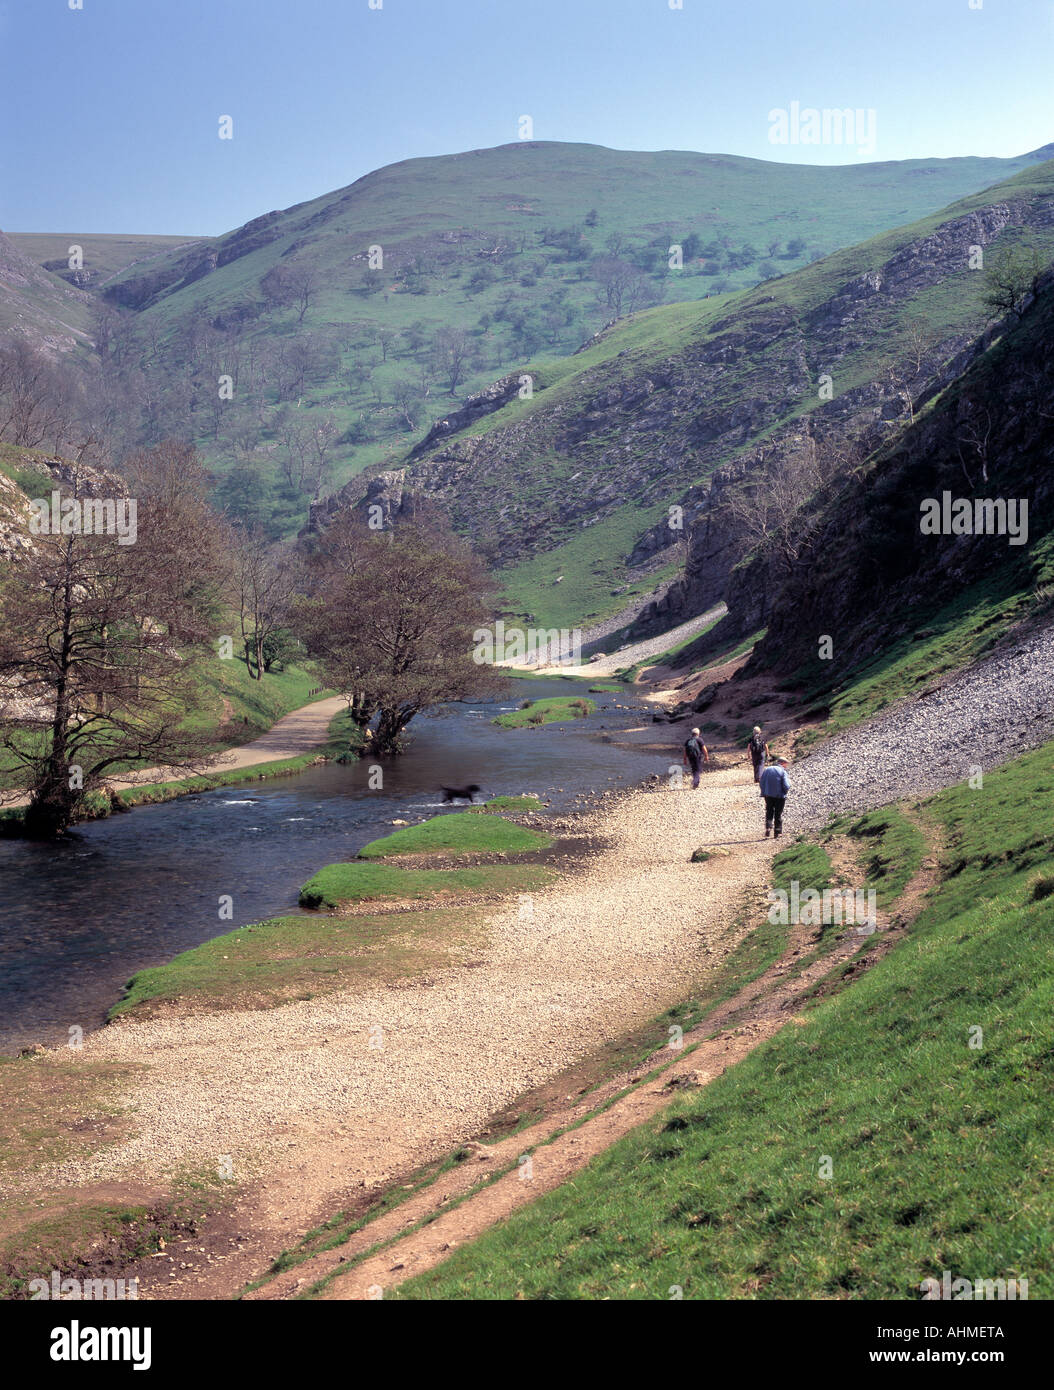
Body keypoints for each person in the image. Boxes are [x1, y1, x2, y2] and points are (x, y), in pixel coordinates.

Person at [759, 753, 790, 838]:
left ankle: (768, 827)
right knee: (778, 813)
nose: (786, 766)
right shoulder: (782, 771)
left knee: (769, 811)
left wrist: (764, 792)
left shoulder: (767, 769)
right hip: (779, 796)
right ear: (782, 763)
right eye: (786, 764)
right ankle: (777, 832)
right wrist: (785, 792)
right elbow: (786, 785)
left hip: (768, 795)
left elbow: (761, 782)